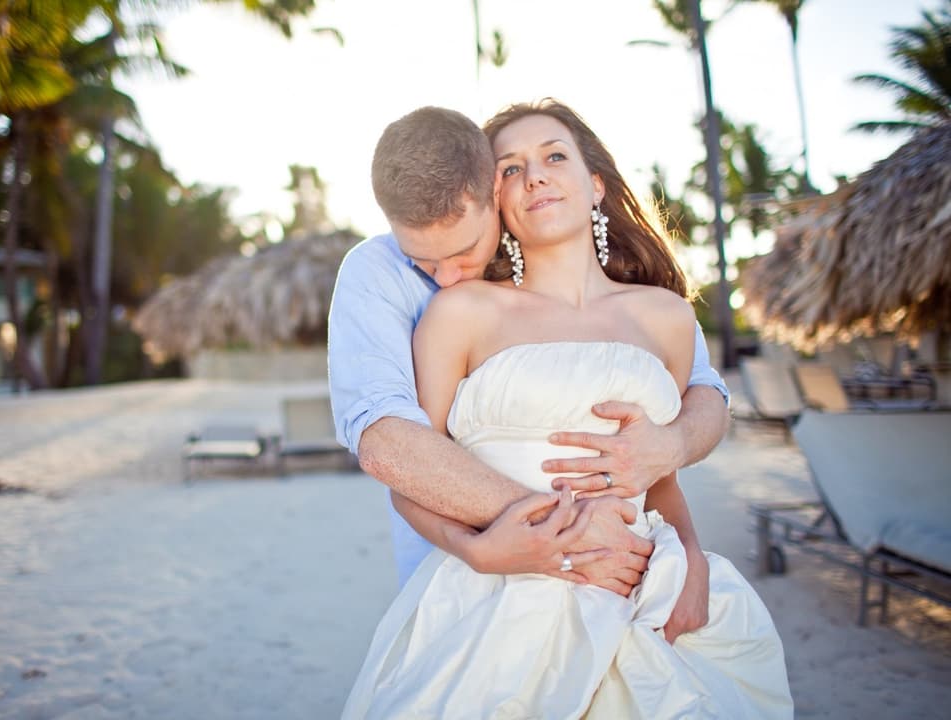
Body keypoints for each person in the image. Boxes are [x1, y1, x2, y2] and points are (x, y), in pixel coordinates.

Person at [339, 99, 792, 718]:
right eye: (511, 168)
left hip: (639, 582)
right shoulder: (461, 311)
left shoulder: (666, 315)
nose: (534, 176)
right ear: (495, 200)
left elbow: (662, 470)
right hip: (497, 591)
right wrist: (483, 549)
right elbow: (403, 458)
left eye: (554, 156)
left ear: (595, 183)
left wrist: (688, 556)